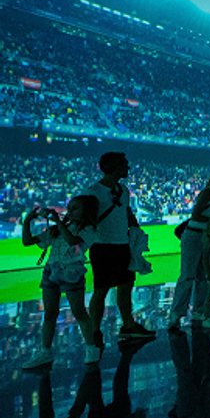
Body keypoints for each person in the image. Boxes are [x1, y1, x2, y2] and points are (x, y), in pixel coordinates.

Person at [22, 196, 101, 368]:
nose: (69, 211)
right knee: (49, 313)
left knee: (79, 312)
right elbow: (27, 242)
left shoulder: (89, 229)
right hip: (51, 271)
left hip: (72, 272)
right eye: (69, 207)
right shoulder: (59, 228)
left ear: (87, 211)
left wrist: (57, 221)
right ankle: (45, 352)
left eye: (75, 208)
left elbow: (73, 241)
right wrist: (28, 220)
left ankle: (92, 348)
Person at [84, 152, 154, 344]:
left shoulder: (123, 190)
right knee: (101, 290)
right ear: (115, 167)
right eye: (124, 164)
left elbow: (126, 212)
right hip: (102, 247)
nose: (128, 168)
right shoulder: (92, 192)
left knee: (126, 286)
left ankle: (128, 325)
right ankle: (94, 331)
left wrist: (136, 230)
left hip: (123, 246)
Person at [169, 163, 210, 330]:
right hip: (194, 235)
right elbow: (196, 215)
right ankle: (176, 314)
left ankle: (199, 311)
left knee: (205, 276)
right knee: (188, 275)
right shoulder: (209, 192)